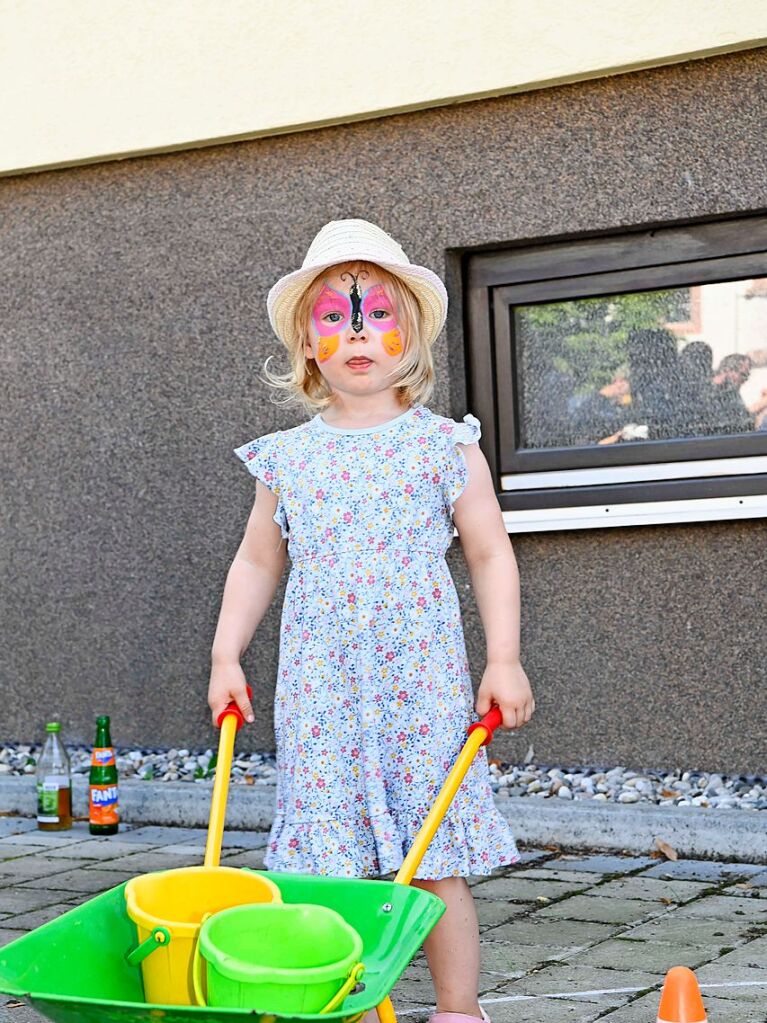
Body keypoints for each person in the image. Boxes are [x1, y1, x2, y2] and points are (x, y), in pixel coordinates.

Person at [208, 219, 535, 1023]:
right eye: (334, 318)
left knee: (433, 854)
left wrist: (505, 657)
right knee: (332, 863)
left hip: (417, 682)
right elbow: (257, 561)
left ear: (410, 335)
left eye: (377, 314)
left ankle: (458, 1008)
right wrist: (225, 653)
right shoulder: (287, 457)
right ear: (308, 345)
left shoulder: (443, 447)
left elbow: (490, 554)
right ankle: (344, 1004)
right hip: (321, 689)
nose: (357, 334)